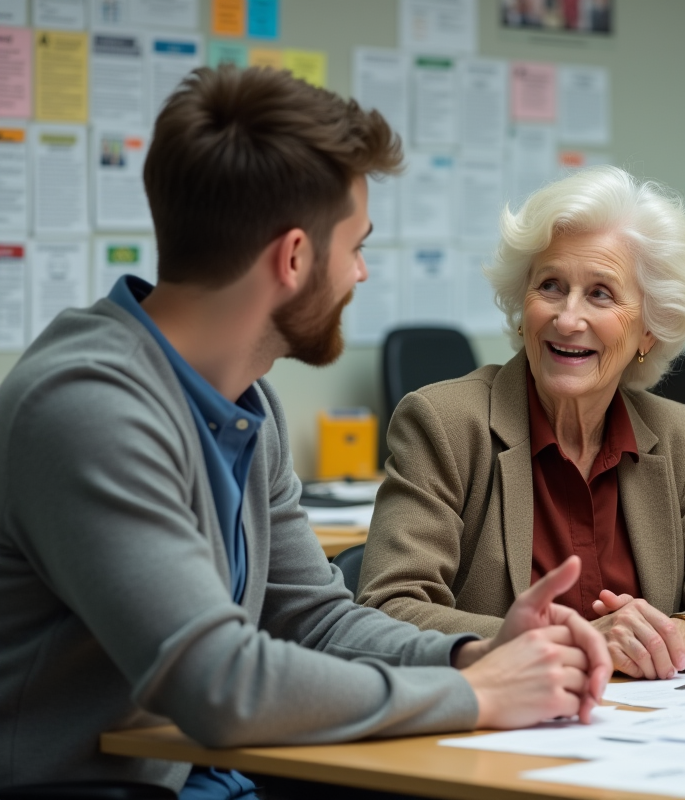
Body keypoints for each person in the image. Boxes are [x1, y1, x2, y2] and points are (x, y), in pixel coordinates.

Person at [0, 66, 610, 794]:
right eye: (356, 247)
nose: (359, 274)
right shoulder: (87, 406)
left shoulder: (242, 401)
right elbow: (219, 684)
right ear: (293, 258)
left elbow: (313, 620)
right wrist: (479, 698)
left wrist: (472, 657)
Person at [358, 166, 685, 679]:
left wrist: (682, 637)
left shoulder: (677, 436)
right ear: (522, 307)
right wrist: (566, 644)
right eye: (550, 286)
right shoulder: (446, 423)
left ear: (650, 330)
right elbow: (387, 611)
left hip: (651, 738)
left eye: (601, 294)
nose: (567, 319)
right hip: (498, 736)